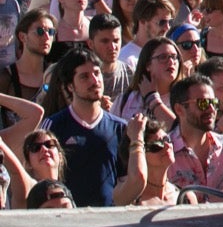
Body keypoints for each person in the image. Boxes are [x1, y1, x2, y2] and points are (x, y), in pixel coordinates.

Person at [43, 48, 146, 207]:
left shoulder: (120, 128)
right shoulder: (53, 126)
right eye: (84, 76)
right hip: (65, 219)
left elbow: (127, 182)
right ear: (70, 86)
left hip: (107, 222)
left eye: (97, 73)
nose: (94, 80)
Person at [166, 74, 223, 199]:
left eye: (214, 103)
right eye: (203, 103)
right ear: (179, 109)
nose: (211, 109)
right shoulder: (164, 152)